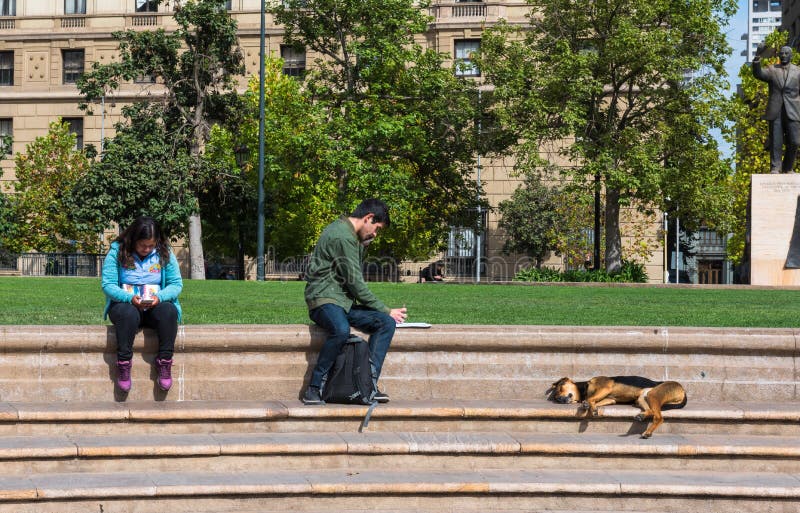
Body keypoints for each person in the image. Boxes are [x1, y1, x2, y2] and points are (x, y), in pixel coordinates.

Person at [302, 199, 407, 405]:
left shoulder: (350, 236)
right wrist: (387, 309)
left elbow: (351, 277)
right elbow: (356, 284)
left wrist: (386, 315)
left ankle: (367, 385)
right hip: (323, 299)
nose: (375, 234)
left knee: (385, 323)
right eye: (377, 228)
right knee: (341, 330)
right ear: (368, 218)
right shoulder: (342, 236)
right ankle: (314, 388)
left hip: (342, 302)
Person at [101, 216, 183, 392]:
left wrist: (159, 297)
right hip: (126, 305)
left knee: (169, 311)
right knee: (127, 313)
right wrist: (128, 298)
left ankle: (165, 362)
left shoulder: (165, 252)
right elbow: (108, 285)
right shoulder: (117, 251)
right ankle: (124, 364)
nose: (146, 249)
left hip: (154, 305)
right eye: (142, 245)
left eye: (151, 246)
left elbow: (176, 284)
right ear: (132, 239)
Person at [752, 44, 800, 174]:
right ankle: (775, 167)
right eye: (781, 53)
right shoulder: (772, 69)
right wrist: (757, 56)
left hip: (793, 110)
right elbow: (758, 74)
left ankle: (788, 167)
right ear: (779, 55)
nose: (783, 55)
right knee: (776, 141)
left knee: (795, 141)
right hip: (776, 110)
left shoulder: (798, 71)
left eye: (786, 53)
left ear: (791, 56)